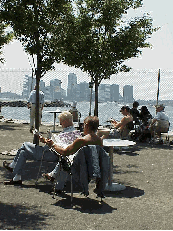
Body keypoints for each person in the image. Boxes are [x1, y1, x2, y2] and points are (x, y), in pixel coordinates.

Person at [3, 111, 81, 185]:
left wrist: (46, 141)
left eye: (61, 121)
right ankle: (17, 178)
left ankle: (13, 166)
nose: (60, 124)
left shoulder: (69, 134)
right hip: (53, 152)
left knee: (25, 144)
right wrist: (46, 141)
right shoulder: (75, 133)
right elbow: (59, 144)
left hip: (51, 154)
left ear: (66, 121)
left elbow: (60, 146)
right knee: (23, 153)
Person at [41, 115, 104, 192]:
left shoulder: (81, 140)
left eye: (83, 125)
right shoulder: (99, 141)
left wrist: (53, 145)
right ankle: (56, 183)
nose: (82, 127)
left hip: (80, 168)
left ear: (86, 126)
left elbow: (65, 152)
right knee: (67, 159)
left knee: (64, 159)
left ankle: (54, 179)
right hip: (93, 168)